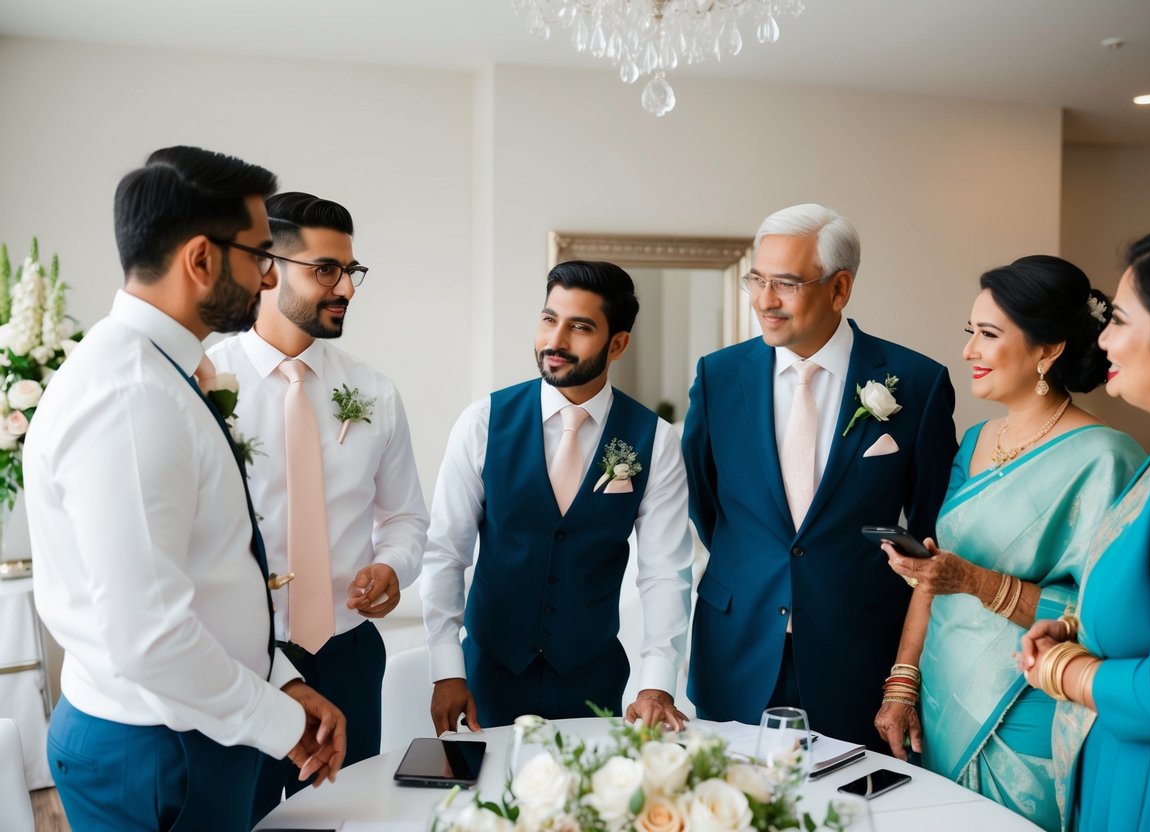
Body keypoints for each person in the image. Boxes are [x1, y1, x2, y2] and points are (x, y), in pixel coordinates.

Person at [25, 147, 346, 832]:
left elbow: (209, 570)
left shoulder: (157, 372)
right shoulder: (131, 398)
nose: (267, 279)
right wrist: (279, 720)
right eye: (260, 255)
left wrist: (280, 676)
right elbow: (149, 636)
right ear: (201, 259)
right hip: (157, 751)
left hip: (186, 725)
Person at [876, 256, 1144, 830]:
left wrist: (973, 581)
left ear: (1048, 350)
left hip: (1025, 705)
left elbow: (1108, 617)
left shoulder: (1105, 458)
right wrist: (902, 683)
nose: (970, 351)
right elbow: (939, 566)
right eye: (969, 332)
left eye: (989, 335)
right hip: (943, 696)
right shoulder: (975, 440)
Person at [682, 203, 958, 748]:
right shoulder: (718, 376)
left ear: (840, 288)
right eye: (757, 280)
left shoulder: (918, 383)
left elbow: (931, 528)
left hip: (857, 650)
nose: (765, 301)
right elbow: (706, 501)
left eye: (785, 283)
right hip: (736, 641)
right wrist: (758, 564)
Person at [207, 192, 429, 821]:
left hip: (348, 656)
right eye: (325, 270)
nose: (347, 290)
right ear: (268, 268)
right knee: (237, 819)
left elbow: (407, 517)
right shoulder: (204, 385)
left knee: (342, 819)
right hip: (241, 661)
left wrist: (393, 567)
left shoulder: (375, 392)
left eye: (350, 272)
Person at [421, 260, 692, 733]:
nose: (555, 341)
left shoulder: (656, 439)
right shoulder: (483, 422)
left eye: (580, 327)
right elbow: (446, 551)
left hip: (593, 681)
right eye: (549, 319)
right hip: (487, 677)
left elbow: (665, 572)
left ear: (619, 344)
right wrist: (447, 669)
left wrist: (656, 683)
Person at [1020, 224, 1150, 831]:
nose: (1102, 338)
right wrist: (1078, 624)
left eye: (1122, 321)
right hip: (1124, 750)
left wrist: (1063, 671)